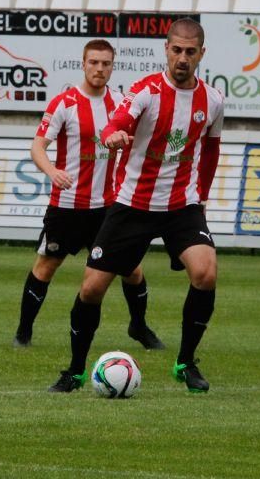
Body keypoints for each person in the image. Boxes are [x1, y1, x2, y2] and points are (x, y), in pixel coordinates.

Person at [48, 18, 225, 394]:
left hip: (182, 205)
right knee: (92, 289)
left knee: (206, 273)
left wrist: (203, 197)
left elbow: (210, 151)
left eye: (190, 52)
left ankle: (186, 363)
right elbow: (116, 122)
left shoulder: (212, 100)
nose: (182, 58)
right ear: (166, 49)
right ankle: (76, 371)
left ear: (201, 55)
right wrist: (113, 136)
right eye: (176, 50)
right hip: (132, 205)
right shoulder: (145, 92)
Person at [14, 39, 164, 351]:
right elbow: (37, 146)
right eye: (93, 62)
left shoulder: (122, 104)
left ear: (112, 66)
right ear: (83, 64)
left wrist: (126, 140)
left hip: (109, 207)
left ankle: (139, 326)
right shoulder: (64, 103)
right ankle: (23, 333)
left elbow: (138, 141)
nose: (99, 68)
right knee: (46, 266)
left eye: (105, 63)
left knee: (132, 269)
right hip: (67, 205)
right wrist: (53, 171)